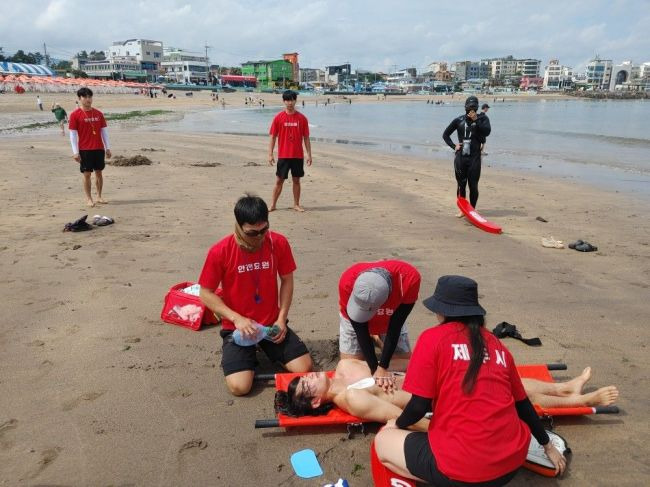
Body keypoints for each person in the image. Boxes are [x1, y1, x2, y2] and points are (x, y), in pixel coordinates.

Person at [375, 275, 566, 486]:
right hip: (510, 465)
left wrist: (397, 424)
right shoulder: (496, 344)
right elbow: (523, 405)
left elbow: (419, 406)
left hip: (463, 468)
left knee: (382, 441)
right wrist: (547, 446)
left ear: (441, 311)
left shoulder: (432, 338)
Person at [198, 194, 313, 396]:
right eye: (252, 233)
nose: (260, 237)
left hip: (271, 324)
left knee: (304, 368)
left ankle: (265, 347)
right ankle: (243, 355)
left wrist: (281, 318)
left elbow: (287, 280)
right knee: (240, 388)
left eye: (264, 230)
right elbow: (205, 293)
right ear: (239, 226)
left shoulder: (278, 242)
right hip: (238, 327)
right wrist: (237, 319)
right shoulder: (220, 251)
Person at [279, 358, 617, 425]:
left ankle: (563, 387)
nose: (308, 377)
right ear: (314, 400)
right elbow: (401, 418)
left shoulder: (342, 369)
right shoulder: (351, 400)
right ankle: (579, 400)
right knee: (503, 394)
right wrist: (446, 428)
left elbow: (372, 362)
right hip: (438, 400)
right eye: (305, 385)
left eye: (304, 377)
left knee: (496, 376)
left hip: (431, 379)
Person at [338, 260, 420, 391]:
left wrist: (383, 367)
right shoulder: (347, 281)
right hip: (354, 319)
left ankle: (377, 339)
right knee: (346, 367)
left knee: (410, 365)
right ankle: (376, 340)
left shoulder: (408, 279)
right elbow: (360, 328)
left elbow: (395, 326)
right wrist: (375, 369)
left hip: (391, 318)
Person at [443, 96, 491, 217]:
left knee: (473, 185)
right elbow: (445, 135)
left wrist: (476, 121)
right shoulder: (459, 120)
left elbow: (487, 132)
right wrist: (454, 146)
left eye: (474, 107)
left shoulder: (482, 119)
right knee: (461, 184)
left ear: (477, 107)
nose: (471, 110)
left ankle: (472, 209)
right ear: (465, 107)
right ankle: (462, 209)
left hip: (474, 157)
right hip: (461, 157)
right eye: (469, 107)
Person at [268, 90, 312, 212]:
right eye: (287, 100)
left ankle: (296, 204)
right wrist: (270, 154)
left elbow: (306, 138)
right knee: (279, 180)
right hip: (283, 155)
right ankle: (273, 204)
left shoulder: (302, 118)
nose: (289, 103)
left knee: (296, 180)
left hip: (298, 155)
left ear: (295, 100)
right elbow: (273, 136)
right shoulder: (278, 118)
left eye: (292, 100)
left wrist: (309, 155)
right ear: (284, 101)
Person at [68, 87, 111, 207]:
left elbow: (104, 132)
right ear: (80, 98)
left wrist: (108, 148)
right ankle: (88, 198)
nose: (88, 99)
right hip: (85, 149)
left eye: (90, 97)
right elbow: (72, 135)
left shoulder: (98, 113)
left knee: (99, 173)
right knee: (86, 174)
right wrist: (75, 152)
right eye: (85, 97)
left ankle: (99, 196)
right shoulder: (75, 115)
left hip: (98, 148)